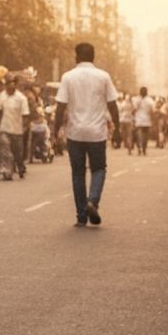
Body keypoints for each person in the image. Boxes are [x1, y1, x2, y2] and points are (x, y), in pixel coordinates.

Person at [53, 42, 119, 228]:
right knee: (99, 169)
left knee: (78, 173)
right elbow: (113, 105)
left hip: (75, 133)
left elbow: (60, 107)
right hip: (97, 133)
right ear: (93, 57)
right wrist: (118, 129)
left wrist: (55, 131)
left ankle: (81, 216)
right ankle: (93, 201)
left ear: (76, 57)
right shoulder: (103, 76)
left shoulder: (68, 77)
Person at [0, 77, 30, 180]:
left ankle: (20, 167)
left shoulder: (21, 98)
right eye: (8, 85)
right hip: (4, 128)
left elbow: (25, 115)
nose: (9, 88)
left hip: (17, 130)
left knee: (18, 154)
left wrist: (24, 128)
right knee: (5, 151)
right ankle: (7, 171)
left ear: (15, 86)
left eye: (12, 86)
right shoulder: (2, 96)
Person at [132, 87, 154, 156]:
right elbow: (151, 111)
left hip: (139, 120)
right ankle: (144, 149)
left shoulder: (136, 99)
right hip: (147, 120)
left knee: (139, 135)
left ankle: (139, 148)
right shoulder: (149, 100)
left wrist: (132, 115)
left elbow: (134, 109)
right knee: (146, 135)